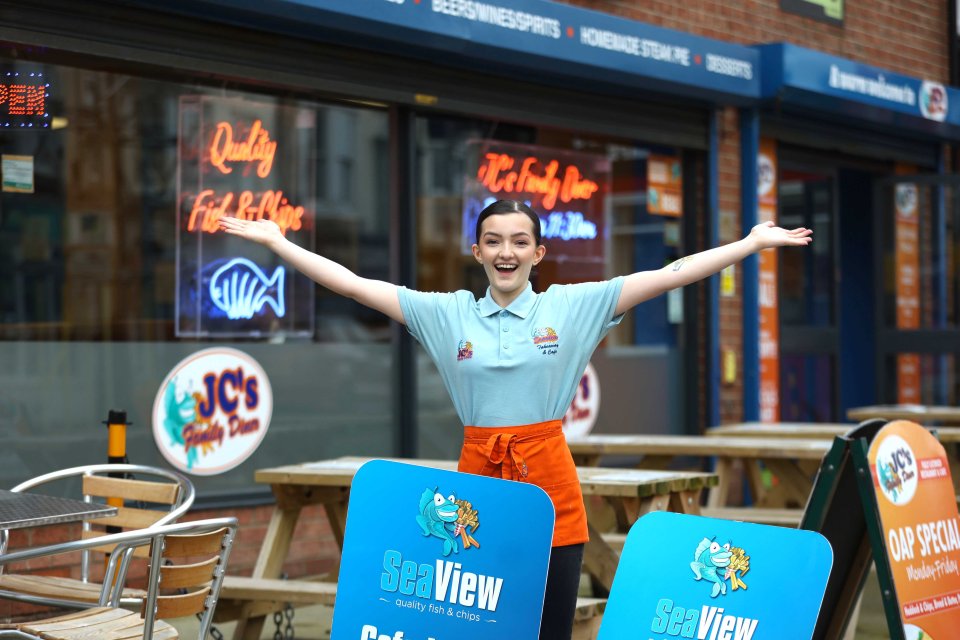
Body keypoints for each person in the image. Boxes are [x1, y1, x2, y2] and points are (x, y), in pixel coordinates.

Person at [219, 199, 811, 639]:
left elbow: (672, 274)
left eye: (520, 241)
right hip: (476, 495)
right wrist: (279, 243)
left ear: (538, 253)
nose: (507, 252)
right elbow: (352, 285)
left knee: (547, 628)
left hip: (552, 485)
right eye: (494, 241)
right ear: (476, 252)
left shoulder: (572, 307)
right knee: (476, 627)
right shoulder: (446, 314)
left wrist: (751, 244)